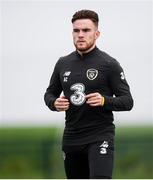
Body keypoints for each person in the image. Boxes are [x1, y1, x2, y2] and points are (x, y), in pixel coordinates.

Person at [44, 9, 133, 179]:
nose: (80, 35)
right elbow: (49, 94)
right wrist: (54, 103)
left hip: (100, 136)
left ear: (97, 34)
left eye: (86, 30)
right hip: (72, 137)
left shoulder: (109, 64)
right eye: (76, 30)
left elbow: (127, 101)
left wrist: (103, 100)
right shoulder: (63, 63)